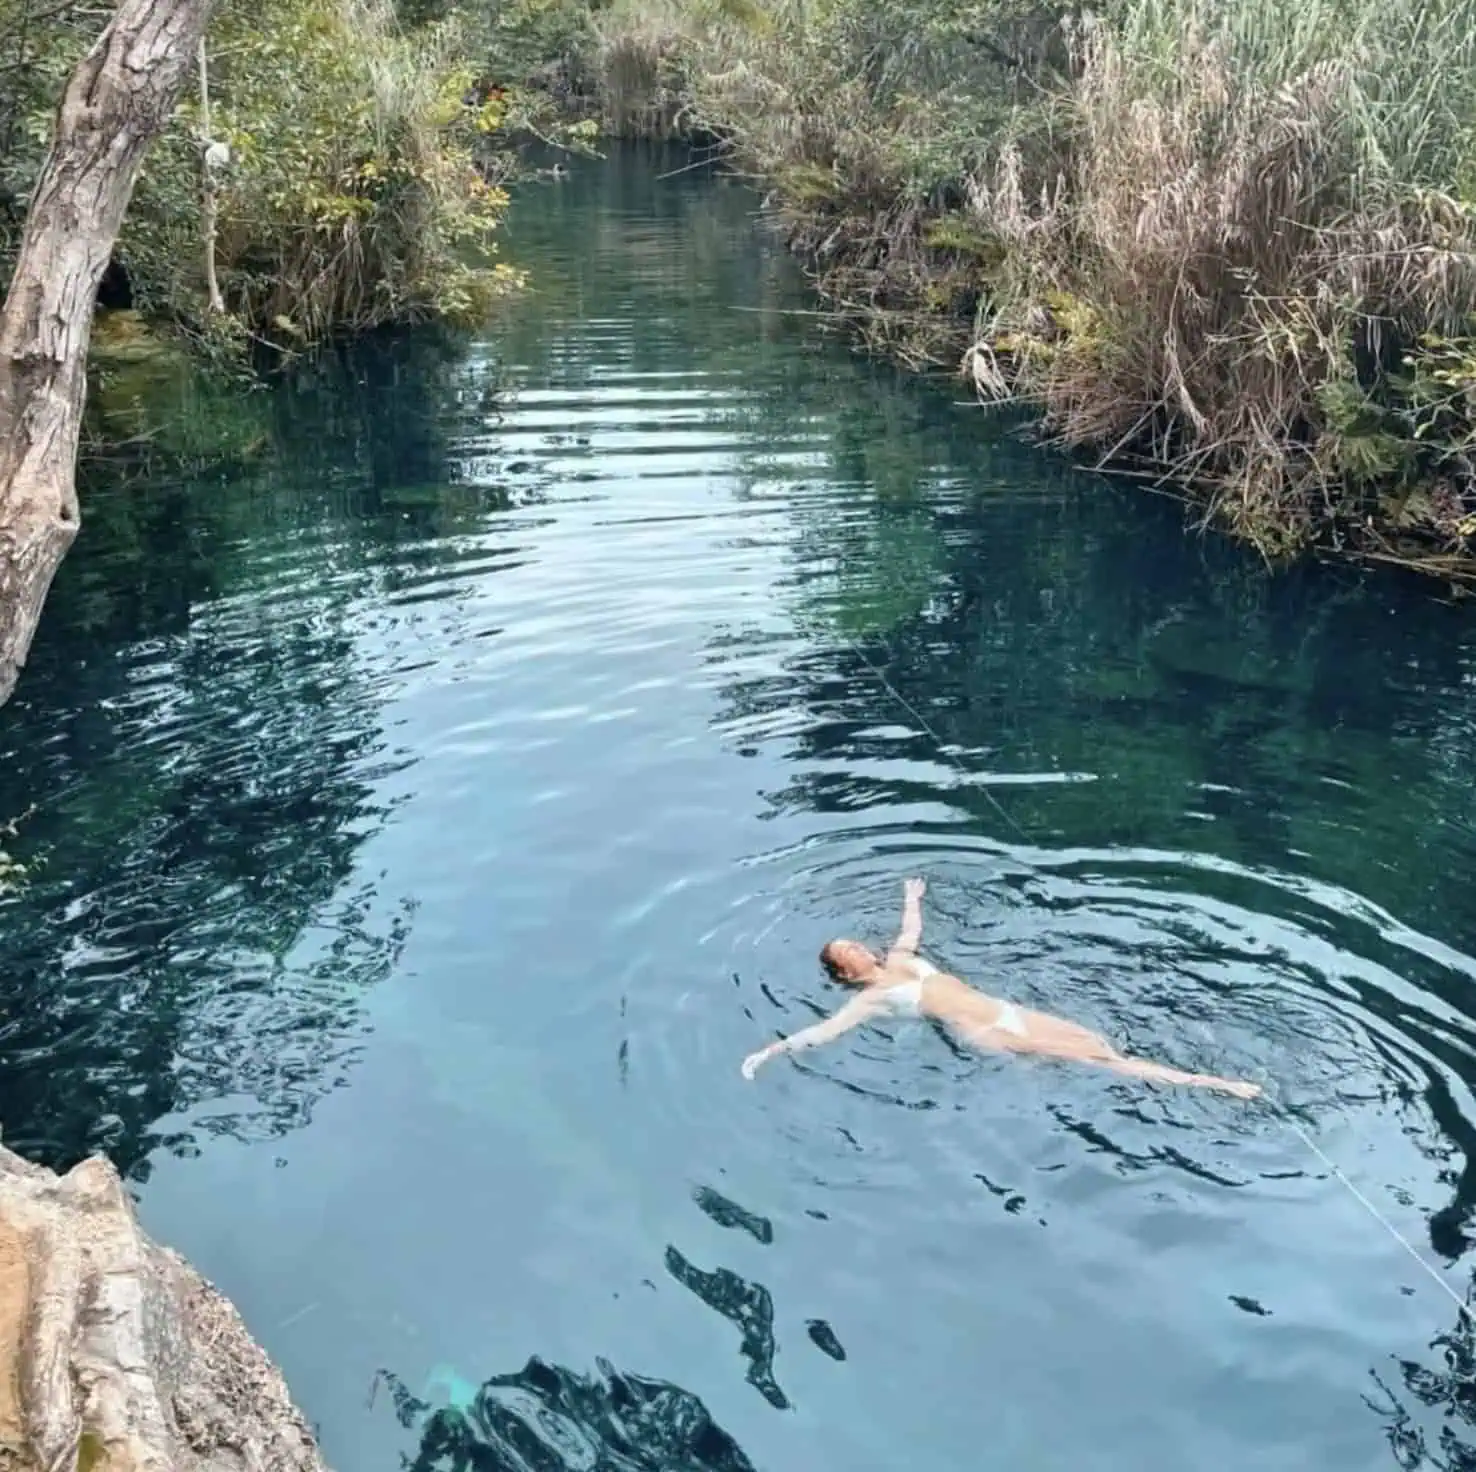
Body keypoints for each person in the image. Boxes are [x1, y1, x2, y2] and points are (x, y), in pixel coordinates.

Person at [741, 878, 1261, 1099]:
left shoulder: (900, 958)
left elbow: (910, 930)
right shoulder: (869, 999)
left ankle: (1194, 1081)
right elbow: (825, 1032)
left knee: (1099, 1045)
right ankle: (1216, 1085)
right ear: (844, 972)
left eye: (853, 941)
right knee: (1103, 1064)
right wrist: (771, 1051)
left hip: (1007, 1010)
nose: (855, 947)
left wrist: (912, 896)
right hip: (984, 1032)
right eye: (844, 951)